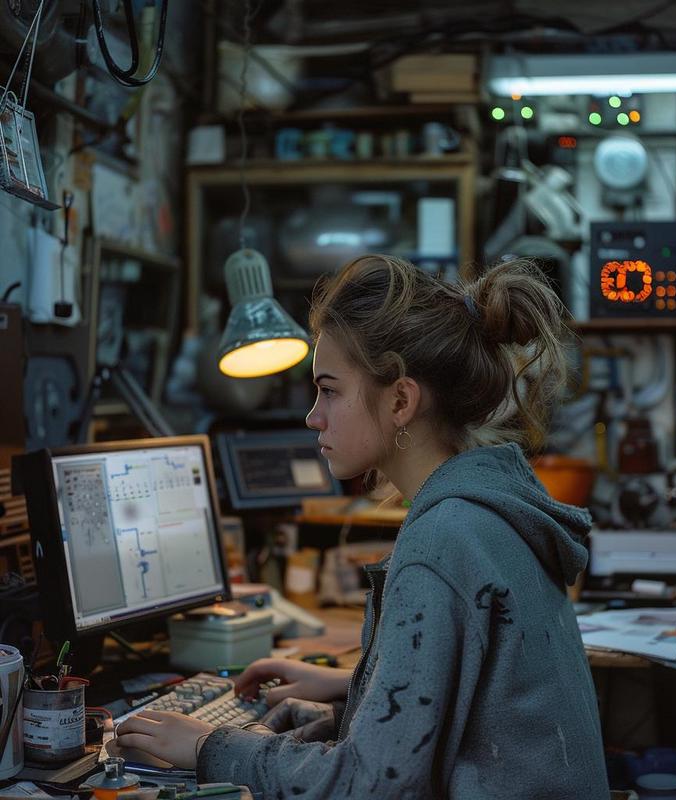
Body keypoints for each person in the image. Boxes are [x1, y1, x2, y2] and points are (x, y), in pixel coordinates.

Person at [112, 254, 610, 798]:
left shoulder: (442, 541)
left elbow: (370, 787)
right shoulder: (493, 507)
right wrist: (354, 697)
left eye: (330, 390)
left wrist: (210, 746)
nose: (313, 416)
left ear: (400, 399)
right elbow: (472, 718)